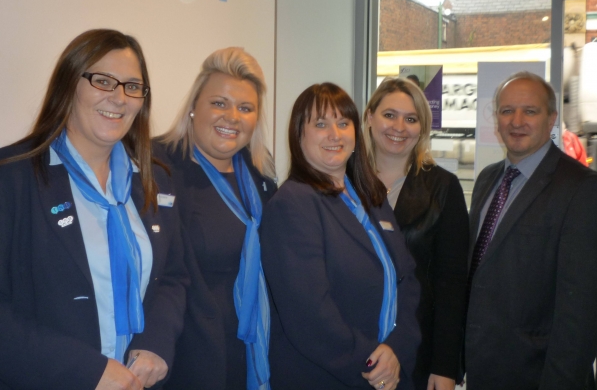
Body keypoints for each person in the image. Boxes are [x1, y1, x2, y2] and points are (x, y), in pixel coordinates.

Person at [0, 29, 188, 389]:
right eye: (102, 81)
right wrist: (88, 372)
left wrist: (155, 344)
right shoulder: (3, 178)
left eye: (132, 87)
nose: (119, 98)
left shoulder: (155, 180)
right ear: (68, 84)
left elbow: (172, 277)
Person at [260, 82, 421, 390]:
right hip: (332, 377)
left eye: (343, 123)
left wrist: (397, 349)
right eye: (320, 124)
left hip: (390, 371)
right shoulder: (292, 204)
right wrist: (373, 364)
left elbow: (407, 279)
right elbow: (310, 316)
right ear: (299, 134)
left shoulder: (370, 196)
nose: (334, 134)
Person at [465, 71, 597, 389]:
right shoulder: (487, 181)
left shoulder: (582, 189)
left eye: (529, 111)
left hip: (539, 376)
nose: (516, 121)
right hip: (485, 371)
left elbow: (583, 310)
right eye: (507, 111)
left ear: (551, 120)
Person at [155, 47, 277, 390]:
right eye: (219, 103)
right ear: (194, 106)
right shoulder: (156, 167)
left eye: (245, 108)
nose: (232, 117)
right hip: (184, 356)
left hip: (248, 348)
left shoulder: (260, 176)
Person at [363, 78, 469, 390]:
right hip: (354, 347)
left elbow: (451, 286)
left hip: (416, 353)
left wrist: (445, 367)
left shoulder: (443, 188)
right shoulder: (343, 182)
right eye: (389, 115)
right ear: (370, 117)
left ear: (422, 129)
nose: (399, 126)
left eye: (411, 119)